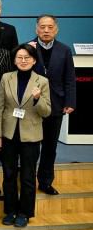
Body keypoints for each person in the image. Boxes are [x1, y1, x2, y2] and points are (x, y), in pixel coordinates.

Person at [0, 44, 51, 228]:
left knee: (28, 176)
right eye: (19, 57)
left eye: (27, 57)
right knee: (9, 174)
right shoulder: (6, 78)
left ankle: (25, 212)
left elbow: (46, 112)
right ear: (14, 60)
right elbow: (0, 107)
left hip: (31, 136)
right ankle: (10, 210)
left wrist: (37, 99)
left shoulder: (42, 81)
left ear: (34, 60)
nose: (23, 60)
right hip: (8, 134)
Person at [31, 15, 76, 195]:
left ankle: (45, 182)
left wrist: (70, 101)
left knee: (50, 147)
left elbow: (70, 78)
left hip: (56, 104)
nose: (46, 30)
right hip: (32, 105)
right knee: (31, 147)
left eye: (50, 27)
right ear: (36, 29)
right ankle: (28, 181)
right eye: (42, 27)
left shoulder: (64, 50)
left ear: (56, 29)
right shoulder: (28, 47)